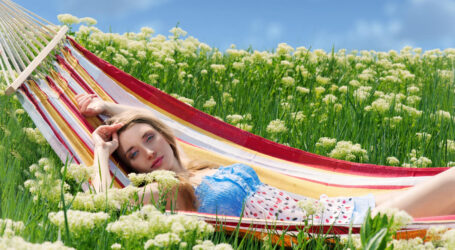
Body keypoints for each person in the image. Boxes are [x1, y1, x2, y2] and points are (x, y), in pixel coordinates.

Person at [76, 93, 455, 224]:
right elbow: (103, 204)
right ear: (134, 169)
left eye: (149, 138)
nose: (149, 152)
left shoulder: (196, 167)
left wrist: (109, 106)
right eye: (134, 155)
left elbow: (159, 121)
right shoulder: (167, 193)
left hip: (343, 206)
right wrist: (101, 152)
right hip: (347, 231)